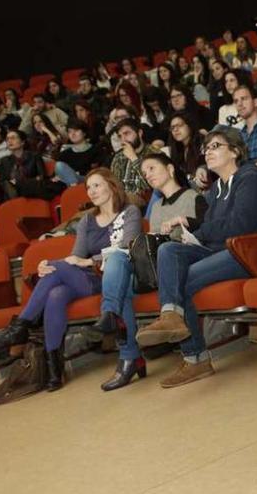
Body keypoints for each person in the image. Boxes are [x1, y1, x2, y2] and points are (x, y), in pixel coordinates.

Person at [135, 128, 257, 388]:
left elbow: (239, 225)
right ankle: (170, 315)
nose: (208, 152)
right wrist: (192, 232)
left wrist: (198, 233)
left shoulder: (251, 178)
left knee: (182, 280)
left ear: (234, 151)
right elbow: (210, 224)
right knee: (169, 250)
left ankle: (195, 358)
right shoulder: (216, 188)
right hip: (221, 250)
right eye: (206, 148)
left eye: (215, 146)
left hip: (250, 251)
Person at [0, 168, 142, 391]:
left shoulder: (130, 212)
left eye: (96, 185)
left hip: (117, 276)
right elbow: (75, 256)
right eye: (88, 187)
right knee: (56, 291)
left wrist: (87, 262)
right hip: (90, 279)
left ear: (111, 185)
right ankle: (53, 370)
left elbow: (129, 247)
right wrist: (50, 265)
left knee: (55, 275)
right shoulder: (88, 220)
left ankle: (21, 327)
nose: (91, 191)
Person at [90, 153, 207, 391]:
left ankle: (131, 354)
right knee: (117, 269)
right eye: (145, 173)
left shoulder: (192, 196)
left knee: (165, 251)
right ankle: (117, 329)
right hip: (156, 267)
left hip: (186, 260)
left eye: (152, 168)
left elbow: (205, 233)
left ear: (171, 169)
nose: (148, 175)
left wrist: (180, 224)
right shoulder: (155, 208)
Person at [0, 129, 65, 200]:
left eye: (13, 138)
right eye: (7, 139)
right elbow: (3, 181)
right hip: (14, 192)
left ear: (22, 142)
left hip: (33, 189)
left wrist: (19, 182)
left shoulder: (34, 156)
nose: (9, 141)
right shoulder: (5, 161)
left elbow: (41, 177)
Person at [108, 118, 154, 206]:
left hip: (143, 199)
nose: (123, 139)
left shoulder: (154, 154)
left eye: (126, 133)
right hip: (119, 198)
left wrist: (133, 158)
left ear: (140, 133)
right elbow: (114, 185)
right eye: (120, 136)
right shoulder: (119, 157)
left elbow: (150, 187)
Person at [54, 118, 107, 186]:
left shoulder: (95, 149)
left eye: (76, 130)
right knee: (59, 165)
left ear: (84, 133)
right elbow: (60, 174)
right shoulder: (65, 153)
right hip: (71, 183)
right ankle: (73, 185)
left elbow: (98, 171)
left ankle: (73, 185)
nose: (72, 134)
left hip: (88, 180)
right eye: (70, 132)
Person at [167, 112, 209, 189]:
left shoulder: (203, 142)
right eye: (172, 128)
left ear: (190, 125)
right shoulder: (176, 150)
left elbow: (208, 166)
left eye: (179, 125)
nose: (175, 130)